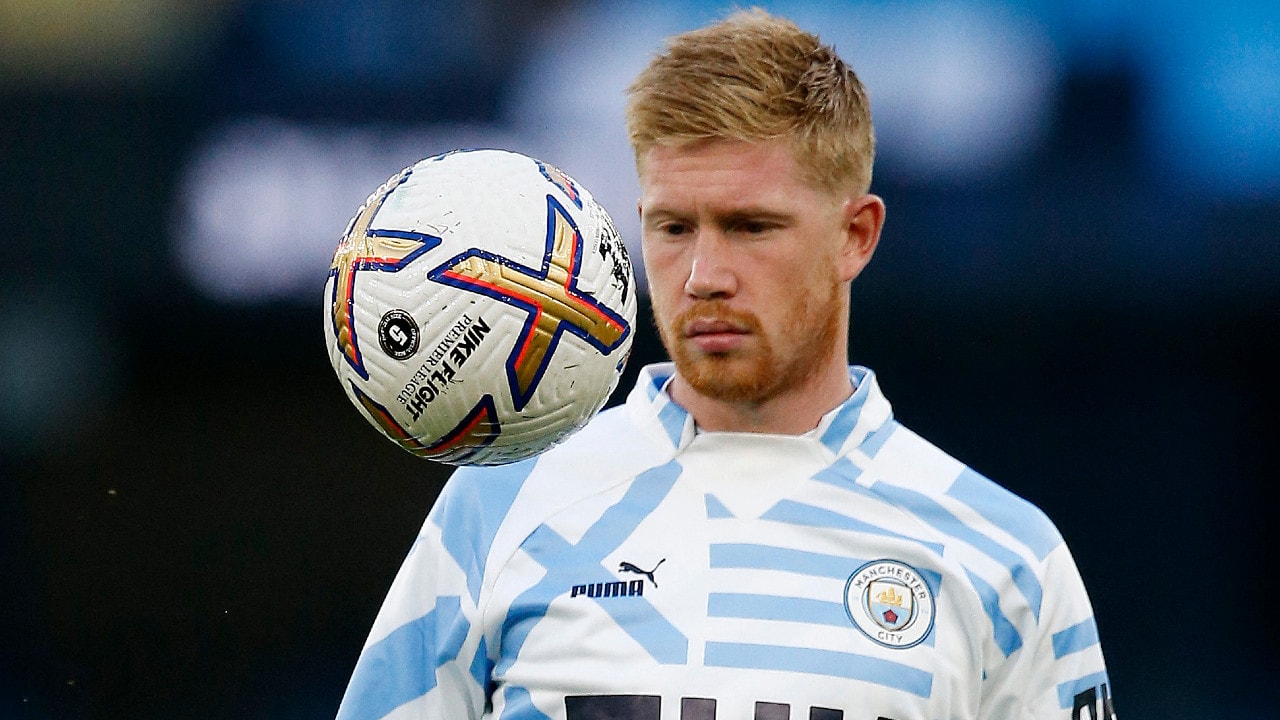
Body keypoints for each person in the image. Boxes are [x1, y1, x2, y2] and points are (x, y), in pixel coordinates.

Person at [334, 9, 1116, 720]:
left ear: (856, 236)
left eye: (750, 227)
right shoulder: (498, 506)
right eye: (674, 228)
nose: (703, 275)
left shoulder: (1006, 559)